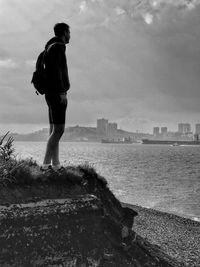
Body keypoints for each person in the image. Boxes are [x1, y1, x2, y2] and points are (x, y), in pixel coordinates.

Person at [42, 23, 70, 170]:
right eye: (69, 32)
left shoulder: (49, 47)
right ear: (64, 32)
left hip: (49, 93)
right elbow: (56, 72)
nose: (70, 35)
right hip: (57, 93)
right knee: (59, 130)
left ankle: (56, 164)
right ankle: (46, 165)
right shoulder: (58, 47)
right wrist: (62, 92)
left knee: (54, 129)